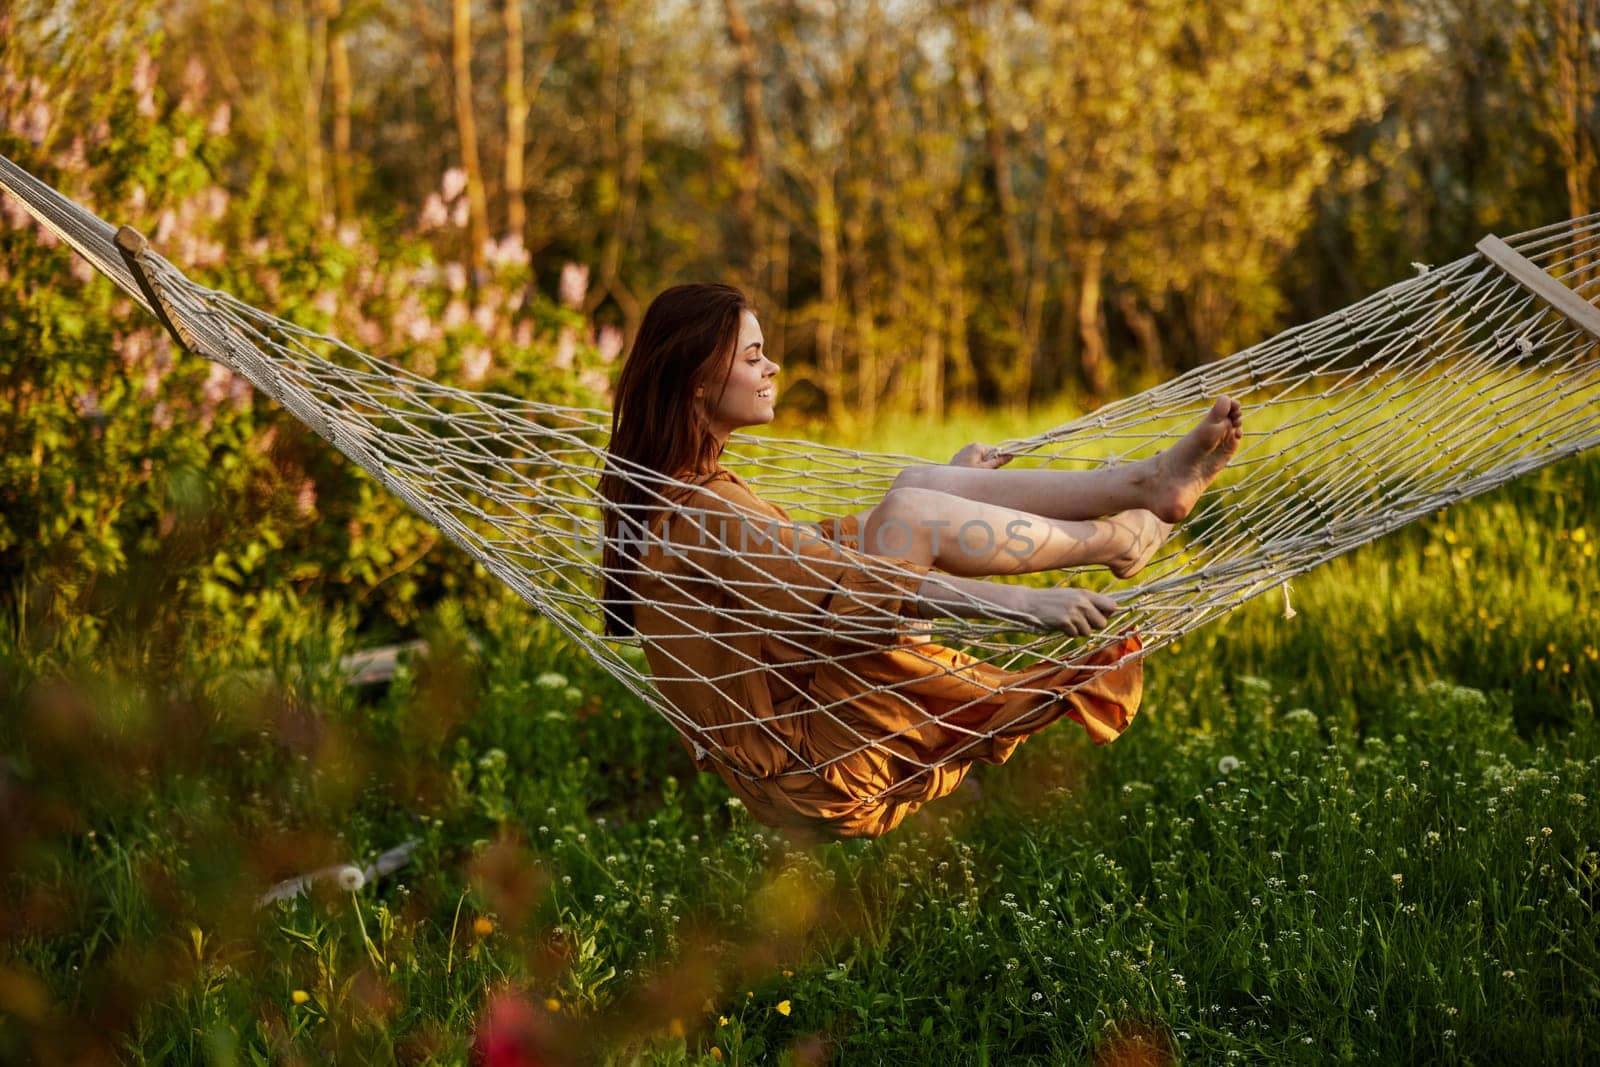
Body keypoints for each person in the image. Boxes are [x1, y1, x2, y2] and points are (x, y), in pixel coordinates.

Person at [598, 284, 1242, 838]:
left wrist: (943, 486)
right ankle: (1129, 520)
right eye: (754, 356)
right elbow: (848, 585)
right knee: (910, 512)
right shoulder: (703, 509)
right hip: (821, 761)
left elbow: (817, 554)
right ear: (700, 382)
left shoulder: (673, 495)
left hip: (815, 737)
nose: (773, 368)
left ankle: (1140, 503)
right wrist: (1024, 605)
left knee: (915, 488)